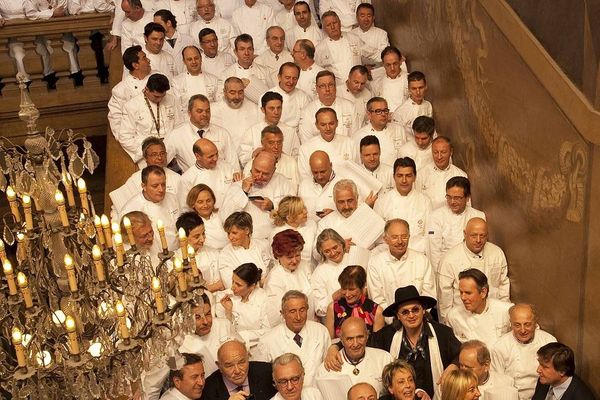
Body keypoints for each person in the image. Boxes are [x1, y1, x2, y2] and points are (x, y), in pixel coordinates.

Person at [326, 286, 461, 399]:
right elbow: (360, 341)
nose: (411, 315)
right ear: (397, 315)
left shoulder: (442, 333)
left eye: (415, 309)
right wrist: (335, 346)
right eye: (405, 312)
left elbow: (461, 355)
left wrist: (454, 365)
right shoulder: (388, 335)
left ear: (423, 310)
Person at [437, 218, 509, 322]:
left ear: (487, 235)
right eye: (474, 236)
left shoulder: (497, 253)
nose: (478, 240)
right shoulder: (449, 259)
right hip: (463, 319)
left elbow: (504, 286)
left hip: (493, 316)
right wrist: (447, 325)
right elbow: (444, 299)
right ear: (465, 234)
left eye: (482, 236)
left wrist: (504, 313)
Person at [257, 291, 331, 386]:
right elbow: (264, 379)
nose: (298, 317)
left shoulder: (321, 331)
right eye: (292, 311)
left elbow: (328, 368)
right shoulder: (268, 340)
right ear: (282, 313)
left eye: (302, 310)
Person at [367, 219, 437, 313]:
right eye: (394, 237)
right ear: (385, 239)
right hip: (390, 320)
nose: (400, 241)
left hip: (420, 319)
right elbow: (377, 299)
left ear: (409, 237)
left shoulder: (422, 260)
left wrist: (417, 316)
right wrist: (396, 319)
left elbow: (429, 295)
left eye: (404, 237)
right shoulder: (375, 263)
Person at [221, 151, 295, 240]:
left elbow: (294, 210)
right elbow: (226, 216)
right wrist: (243, 192)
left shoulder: (283, 182)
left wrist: (272, 206)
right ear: (252, 165)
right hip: (249, 241)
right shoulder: (237, 185)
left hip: (278, 238)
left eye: (265, 174)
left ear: (274, 171)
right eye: (257, 171)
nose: (259, 176)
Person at [491, 304, 557, 400]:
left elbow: (554, 379)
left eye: (527, 324)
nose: (522, 330)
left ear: (535, 323)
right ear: (511, 324)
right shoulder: (500, 347)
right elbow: (499, 383)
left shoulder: (548, 341)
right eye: (517, 325)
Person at [316, 317, 393, 396]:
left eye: (360, 337)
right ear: (341, 340)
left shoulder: (384, 359)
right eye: (350, 339)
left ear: (367, 336)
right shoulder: (327, 368)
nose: (355, 344)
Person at [119, 73, 182, 166]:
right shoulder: (132, 106)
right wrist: (147, 151)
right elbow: (125, 137)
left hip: (172, 152)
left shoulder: (171, 99)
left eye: (163, 96)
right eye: (156, 96)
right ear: (146, 89)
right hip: (148, 154)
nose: (160, 99)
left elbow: (179, 126)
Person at [374, 157, 432, 254]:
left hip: (418, 254)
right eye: (400, 175)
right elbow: (378, 237)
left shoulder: (425, 201)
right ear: (394, 177)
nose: (404, 180)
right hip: (388, 254)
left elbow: (429, 234)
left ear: (415, 177)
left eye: (408, 176)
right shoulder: (382, 202)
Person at [426, 177, 485, 272]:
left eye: (457, 198)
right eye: (449, 197)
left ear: (468, 197)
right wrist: (441, 275)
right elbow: (434, 252)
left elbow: (480, 248)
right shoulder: (436, 217)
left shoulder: (478, 216)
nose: (452, 202)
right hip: (446, 268)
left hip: (473, 268)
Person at [165, 94, 237, 171]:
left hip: (221, 180)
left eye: (207, 111)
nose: (205, 114)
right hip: (192, 181)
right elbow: (161, 161)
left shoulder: (222, 133)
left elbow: (234, 166)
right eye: (200, 111)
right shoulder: (176, 135)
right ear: (189, 113)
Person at [446, 269, 512, 348]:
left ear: (483, 292)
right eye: (461, 292)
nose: (463, 297)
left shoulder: (505, 310)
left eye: (468, 293)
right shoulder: (453, 316)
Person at [120, 165, 181, 250]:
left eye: (163, 184)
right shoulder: (131, 209)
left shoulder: (173, 198)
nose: (161, 189)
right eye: (155, 186)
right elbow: (126, 243)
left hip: (178, 253)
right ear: (144, 186)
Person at [217, 263, 273, 347]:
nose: (232, 287)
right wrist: (228, 312)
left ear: (252, 286)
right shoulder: (224, 297)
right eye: (233, 282)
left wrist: (242, 336)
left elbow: (267, 331)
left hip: (257, 347)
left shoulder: (263, 298)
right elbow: (222, 332)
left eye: (238, 285)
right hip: (230, 345)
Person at [200, 339, 277, 400]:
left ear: (248, 358)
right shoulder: (207, 391)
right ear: (219, 366)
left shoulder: (268, 372)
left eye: (241, 363)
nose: (237, 371)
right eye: (229, 366)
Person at [239, 92, 301, 167]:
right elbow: (242, 158)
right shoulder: (252, 131)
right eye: (272, 108)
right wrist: (253, 154)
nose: (276, 112)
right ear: (263, 110)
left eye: (279, 108)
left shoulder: (290, 131)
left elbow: (297, 158)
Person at [298, 71, 360, 143]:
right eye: (323, 86)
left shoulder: (350, 107)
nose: (327, 89)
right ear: (317, 89)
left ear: (335, 86)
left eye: (330, 85)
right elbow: (307, 143)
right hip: (318, 152)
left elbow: (355, 138)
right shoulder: (307, 112)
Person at [325, 265, 384, 339]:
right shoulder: (333, 307)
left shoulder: (376, 311)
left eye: (351, 289)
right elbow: (329, 342)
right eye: (343, 289)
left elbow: (377, 345)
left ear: (362, 288)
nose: (347, 294)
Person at [297, 107, 357, 179]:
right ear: (317, 125)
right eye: (323, 125)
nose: (328, 128)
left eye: (331, 123)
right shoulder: (306, 148)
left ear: (337, 123)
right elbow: (305, 178)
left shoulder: (350, 144)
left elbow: (357, 174)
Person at [218, 211, 272, 291]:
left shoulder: (262, 245)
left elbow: (271, 271)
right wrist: (260, 283)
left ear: (247, 230)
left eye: (234, 233)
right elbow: (231, 285)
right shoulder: (225, 254)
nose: (230, 237)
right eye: (228, 233)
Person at [179, 138, 238, 209]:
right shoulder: (187, 178)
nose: (215, 158)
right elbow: (185, 208)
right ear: (197, 156)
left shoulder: (227, 167)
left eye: (216, 154)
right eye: (211, 156)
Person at [264, 230, 314, 315]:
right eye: (289, 257)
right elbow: (277, 313)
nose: (294, 261)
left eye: (298, 255)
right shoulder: (274, 279)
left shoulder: (306, 265)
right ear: (278, 256)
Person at [211, 77, 262, 155]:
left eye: (240, 92)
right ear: (224, 92)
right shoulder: (213, 110)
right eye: (232, 93)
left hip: (248, 157)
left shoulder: (254, 109)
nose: (237, 97)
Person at [311, 229, 354, 318]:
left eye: (335, 247)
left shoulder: (355, 257)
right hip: (338, 319)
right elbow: (319, 310)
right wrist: (335, 296)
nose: (333, 253)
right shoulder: (319, 273)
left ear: (341, 243)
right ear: (321, 252)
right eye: (327, 251)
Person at [176, 211, 223, 293]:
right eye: (196, 236)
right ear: (184, 237)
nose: (202, 239)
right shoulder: (175, 261)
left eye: (203, 233)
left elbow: (223, 282)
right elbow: (183, 292)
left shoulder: (214, 253)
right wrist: (213, 287)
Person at [353, 97, 407, 166]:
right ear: (369, 114)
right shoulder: (359, 136)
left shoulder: (399, 130)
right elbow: (357, 164)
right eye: (378, 111)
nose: (383, 114)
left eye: (385, 110)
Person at [416, 136, 468, 209]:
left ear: (451, 152)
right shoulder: (421, 174)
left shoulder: (461, 175)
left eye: (443, 152)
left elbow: (466, 206)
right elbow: (417, 203)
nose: (439, 157)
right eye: (435, 152)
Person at [220, 34, 273, 104]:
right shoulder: (226, 74)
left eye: (249, 49)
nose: (246, 53)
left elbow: (272, 97)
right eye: (242, 49)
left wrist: (252, 86)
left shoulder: (264, 71)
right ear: (235, 52)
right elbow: (222, 99)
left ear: (253, 50)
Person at [171, 45, 219, 113]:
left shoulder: (213, 79)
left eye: (196, 58)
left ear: (201, 59)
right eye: (189, 59)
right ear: (184, 61)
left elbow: (218, 105)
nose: (194, 62)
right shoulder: (177, 82)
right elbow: (178, 108)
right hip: (187, 121)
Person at [270, 198, 317, 265]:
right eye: (300, 212)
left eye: (304, 208)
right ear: (289, 217)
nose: (305, 212)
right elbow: (276, 260)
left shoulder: (312, 225)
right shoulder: (277, 233)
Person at [297, 150, 342, 221]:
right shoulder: (304, 185)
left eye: (323, 172)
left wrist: (336, 214)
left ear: (331, 165)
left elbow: (353, 211)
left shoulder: (343, 183)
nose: (319, 176)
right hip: (309, 230)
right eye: (315, 172)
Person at [267, 62, 311, 131]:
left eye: (294, 78)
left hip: (296, 136)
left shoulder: (303, 97)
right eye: (287, 78)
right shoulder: (267, 96)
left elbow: (306, 124)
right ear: (279, 77)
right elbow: (263, 124)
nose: (291, 82)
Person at [186, 183, 228, 249]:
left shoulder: (222, 215)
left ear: (213, 200)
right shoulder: (192, 223)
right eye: (200, 202)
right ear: (193, 204)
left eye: (208, 201)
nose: (205, 205)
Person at [392, 71, 433, 138]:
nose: (418, 92)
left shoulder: (428, 105)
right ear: (409, 90)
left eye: (421, 87)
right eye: (414, 88)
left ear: (426, 87)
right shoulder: (400, 112)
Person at [350, 3, 389, 68]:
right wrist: (374, 52)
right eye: (362, 16)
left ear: (373, 17)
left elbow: (384, 56)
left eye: (369, 16)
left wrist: (361, 49)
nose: (366, 19)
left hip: (377, 70)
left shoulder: (382, 34)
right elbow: (351, 58)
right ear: (357, 17)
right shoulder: (351, 34)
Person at [370, 46, 408, 112]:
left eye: (395, 64)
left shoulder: (410, 80)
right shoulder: (376, 84)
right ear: (383, 64)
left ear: (400, 61)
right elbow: (374, 109)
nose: (392, 68)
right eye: (388, 65)